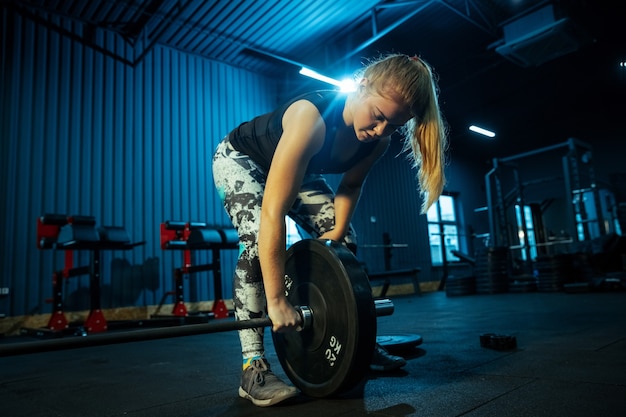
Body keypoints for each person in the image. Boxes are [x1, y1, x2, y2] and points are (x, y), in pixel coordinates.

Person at [212, 53, 448, 407]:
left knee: (344, 241)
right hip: (243, 160)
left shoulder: (377, 142)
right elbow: (273, 213)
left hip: (300, 170)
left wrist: (335, 240)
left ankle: (358, 343)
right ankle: (253, 367)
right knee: (254, 242)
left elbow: (349, 188)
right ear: (361, 84)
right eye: (379, 117)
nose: (381, 131)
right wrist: (276, 300)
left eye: (393, 126)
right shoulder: (312, 118)